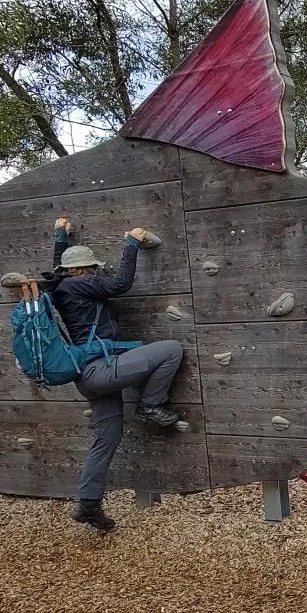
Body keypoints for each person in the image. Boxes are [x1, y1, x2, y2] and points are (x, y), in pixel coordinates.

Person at [46, 217, 183, 532]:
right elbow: (120, 284)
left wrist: (59, 238)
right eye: (92, 268)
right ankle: (151, 404)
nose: (96, 272)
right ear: (82, 270)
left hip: (87, 376)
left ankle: (88, 503)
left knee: (108, 437)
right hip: (100, 370)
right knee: (171, 349)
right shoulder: (79, 283)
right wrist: (132, 244)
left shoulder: (61, 287)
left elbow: (57, 270)